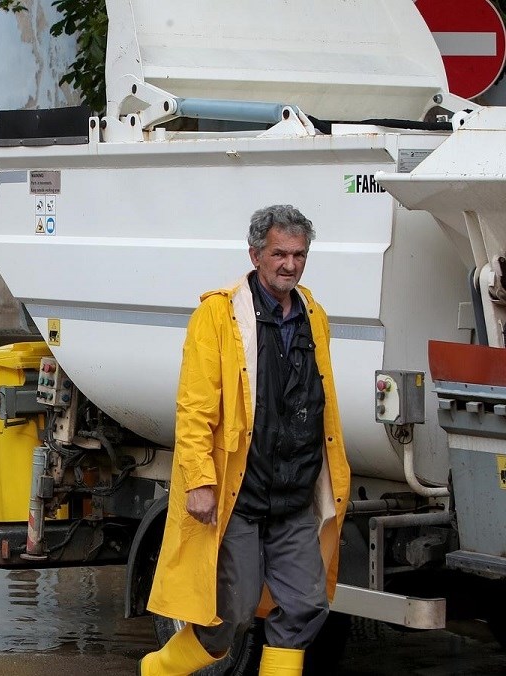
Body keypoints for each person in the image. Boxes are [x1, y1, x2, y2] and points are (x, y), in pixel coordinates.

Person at [139, 205, 351, 676]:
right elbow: (194, 409)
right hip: (240, 496)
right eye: (280, 254)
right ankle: (157, 671)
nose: (290, 265)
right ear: (255, 254)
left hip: (294, 496)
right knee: (227, 616)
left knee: (304, 606)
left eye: (299, 254)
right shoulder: (217, 316)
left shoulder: (314, 315)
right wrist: (198, 480)